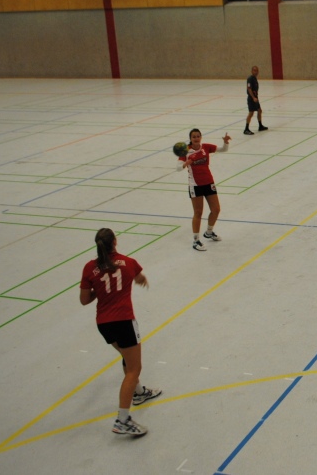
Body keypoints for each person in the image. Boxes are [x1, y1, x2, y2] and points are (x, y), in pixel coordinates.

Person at [80, 228, 161, 437]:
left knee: (126, 357)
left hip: (104, 324)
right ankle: (122, 420)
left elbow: (84, 300)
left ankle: (139, 392)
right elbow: (139, 278)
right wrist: (139, 280)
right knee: (134, 368)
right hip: (124, 321)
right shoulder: (129, 263)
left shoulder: (89, 268)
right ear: (115, 242)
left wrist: (99, 291)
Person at [178, 128, 231, 251]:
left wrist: (226, 142)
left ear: (201, 137)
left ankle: (209, 232)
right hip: (195, 185)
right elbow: (178, 167)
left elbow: (223, 149)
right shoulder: (185, 151)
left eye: (198, 136)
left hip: (209, 182)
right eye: (194, 137)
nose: (196, 138)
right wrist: (186, 163)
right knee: (198, 213)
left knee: (216, 209)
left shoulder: (206, 147)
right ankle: (196, 241)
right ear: (190, 139)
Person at [244, 65, 268, 135]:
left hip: (255, 98)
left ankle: (260, 126)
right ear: (251, 71)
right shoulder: (250, 79)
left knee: (259, 110)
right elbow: (249, 88)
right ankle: (246, 129)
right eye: (254, 70)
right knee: (251, 113)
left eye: (257, 70)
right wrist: (253, 97)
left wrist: (256, 97)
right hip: (252, 99)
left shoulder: (255, 79)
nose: (256, 72)